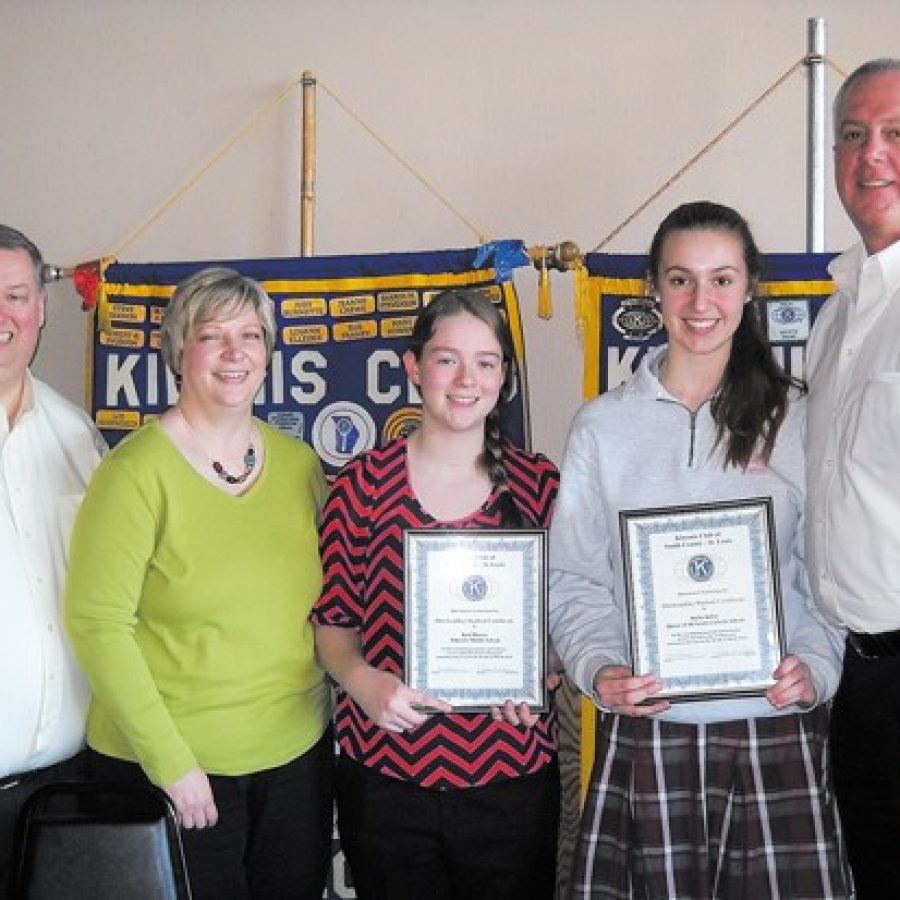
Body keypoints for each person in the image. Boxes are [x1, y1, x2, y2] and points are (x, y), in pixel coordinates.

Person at [550, 201, 848, 898]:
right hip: (649, 734)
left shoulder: (796, 418)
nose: (701, 301)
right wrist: (601, 666)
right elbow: (576, 579)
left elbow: (825, 568)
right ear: (653, 289)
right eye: (681, 280)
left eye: (721, 279)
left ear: (749, 290)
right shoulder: (601, 427)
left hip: (772, 731)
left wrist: (816, 666)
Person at [64, 267, 332, 900]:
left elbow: (333, 603)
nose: (235, 353)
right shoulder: (133, 474)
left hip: (295, 760)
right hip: (176, 771)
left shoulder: (299, 466)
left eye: (251, 335)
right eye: (213, 335)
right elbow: (97, 626)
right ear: (178, 351)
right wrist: (172, 764)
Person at [312, 288, 560, 900]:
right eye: (447, 359)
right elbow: (334, 628)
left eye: (486, 362)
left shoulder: (540, 487)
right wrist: (363, 683)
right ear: (414, 367)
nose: (466, 379)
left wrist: (543, 675)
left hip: (512, 775)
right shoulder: (361, 486)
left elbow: (564, 623)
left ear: (504, 378)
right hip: (388, 775)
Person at [805, 57, 900, 898]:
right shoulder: (837, 314)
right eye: (853, 135)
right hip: (854, 679)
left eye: (897, 134)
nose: (873, 155)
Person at [0, 225, 105, 897]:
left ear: (41, 308)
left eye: (14, 295)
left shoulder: (79, 437)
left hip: (64, 792)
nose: (2, 315)